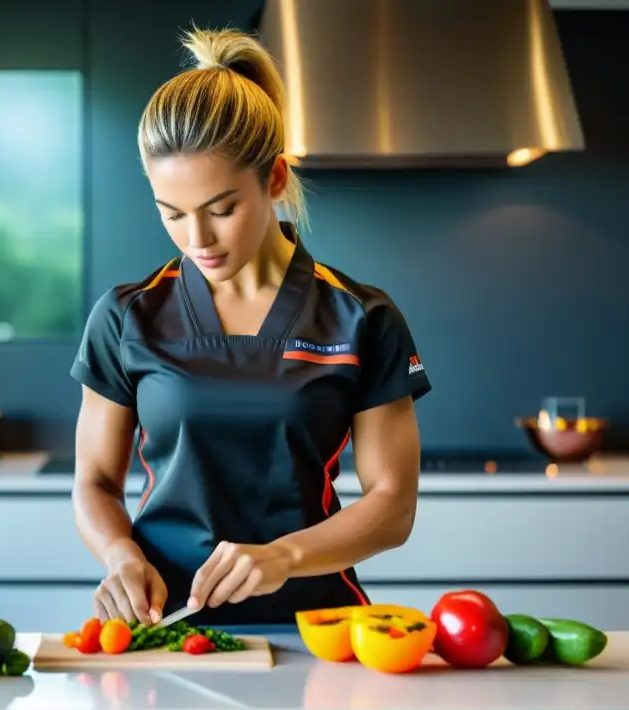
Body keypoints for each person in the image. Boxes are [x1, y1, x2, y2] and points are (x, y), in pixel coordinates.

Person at [69, 26, 431, 628]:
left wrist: (282, 558)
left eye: (221, 209)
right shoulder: (126, 317)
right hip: (167, 627)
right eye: (173, 215)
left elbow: (393, 505)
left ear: (276, 179)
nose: (197, 240)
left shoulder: (363, 317)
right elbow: (96, 481)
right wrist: (118, 554)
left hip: (320, 630)